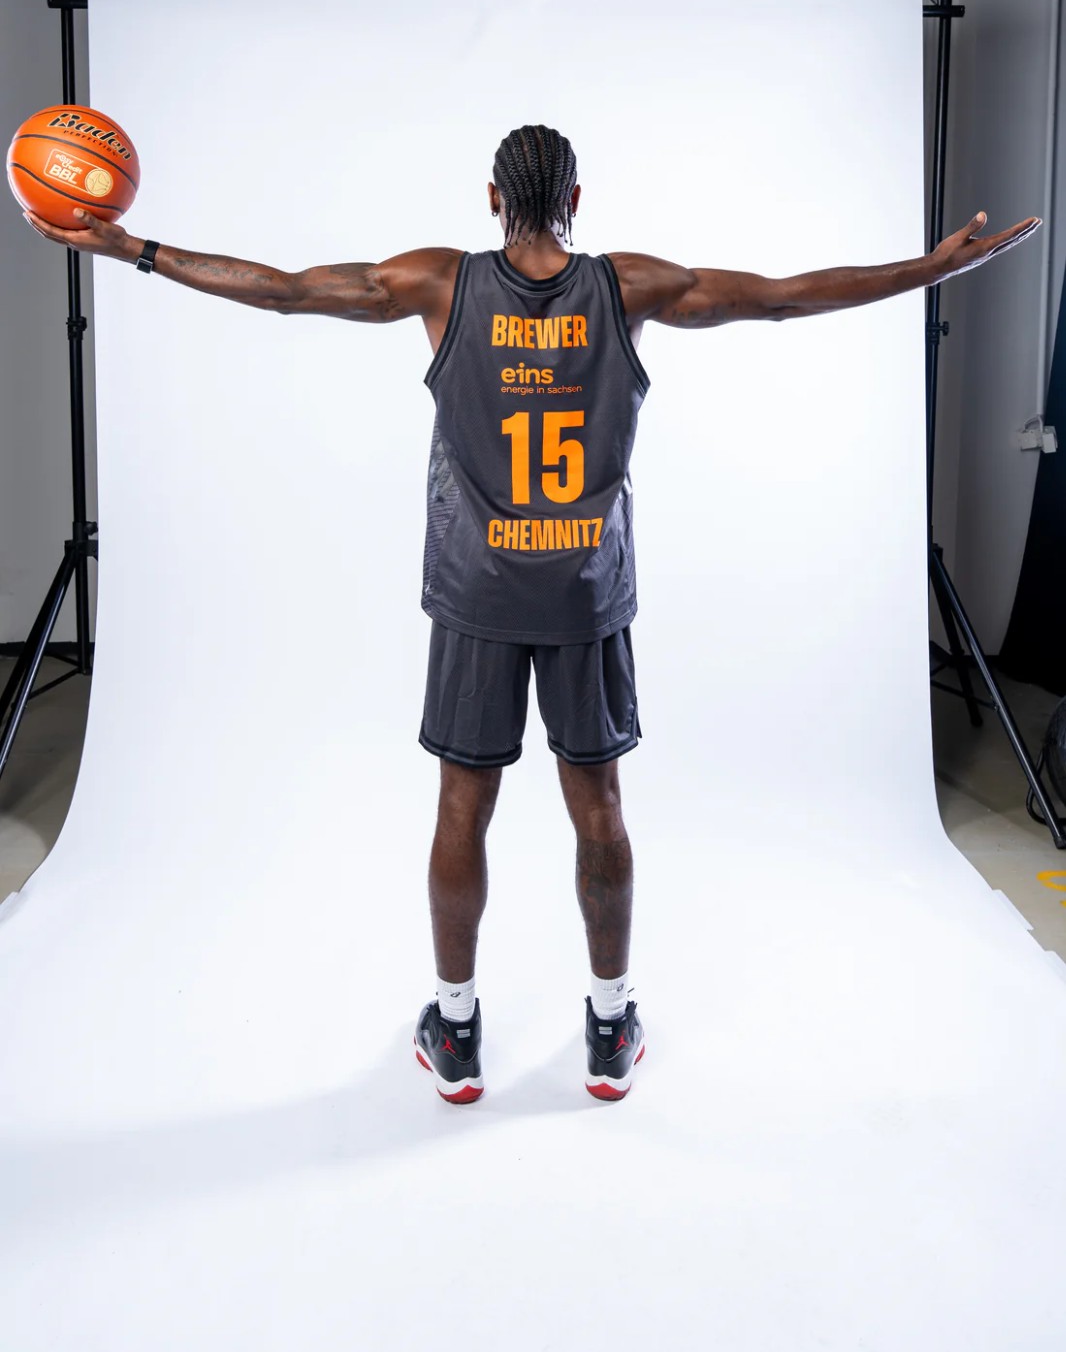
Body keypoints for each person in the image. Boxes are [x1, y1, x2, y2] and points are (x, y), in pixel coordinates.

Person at [24, 123, 1041, 1106]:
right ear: (577, 200)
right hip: (584, 593)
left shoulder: (437, 283)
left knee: (461, 809)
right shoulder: (629, 285)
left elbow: (286, 292)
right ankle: (609, 1027)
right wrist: (927, 270)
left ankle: (456, 1031)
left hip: (478, 592)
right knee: (598, 809)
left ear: (493, 199)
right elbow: (778, 300)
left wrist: (136, 249)